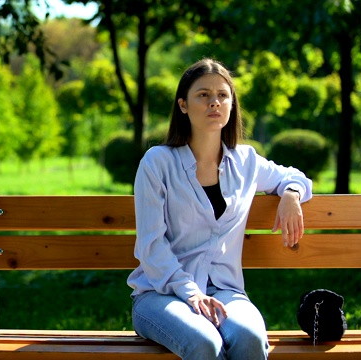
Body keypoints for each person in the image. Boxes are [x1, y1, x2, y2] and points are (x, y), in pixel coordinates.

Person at [127, 58, 312, 359]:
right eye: (203, 95)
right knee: (205, 343)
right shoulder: (157, 162)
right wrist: (192, 293)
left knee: (249, 338)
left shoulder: (246, 161)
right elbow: (151, 245)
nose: (215, 102)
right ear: (183, 105)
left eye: (222, 95)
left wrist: (291, 194)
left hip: (227, 292)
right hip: (161, 294)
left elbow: (294, 177)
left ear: (231, 104)